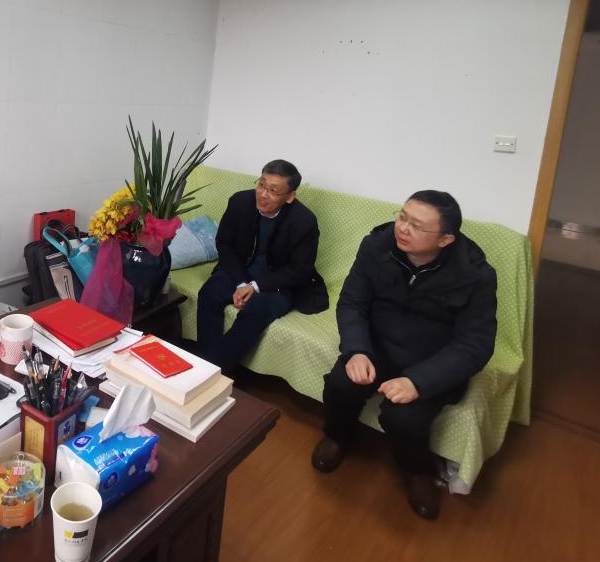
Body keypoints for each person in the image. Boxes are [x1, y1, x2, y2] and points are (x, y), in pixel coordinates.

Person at [311, 190, 497, 520]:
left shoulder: (475, 274)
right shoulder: (376, 246)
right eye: (402, 217)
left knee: (403, 417)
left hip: (431, 359)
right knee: (341, 384)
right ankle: (337, 436)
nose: (403, 228)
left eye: (417, 226)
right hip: (377, 345)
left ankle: (417, 471)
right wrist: (356, 350)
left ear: (445, 239)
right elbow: (352, 302)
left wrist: (418, 382)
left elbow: (475, 345)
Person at [196, 159, 325, 374]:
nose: (263, 194)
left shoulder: (304, 221)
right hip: (240, 270)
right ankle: (204, 366)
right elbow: (224, 244)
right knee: (210, 293)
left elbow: (299, 270)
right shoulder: (240, 202)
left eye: (273, 191)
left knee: (256, 310)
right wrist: (241, 282)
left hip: (278, 283)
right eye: (261, 185)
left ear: (290, 196)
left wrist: (255, 286)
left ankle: (212, 373)